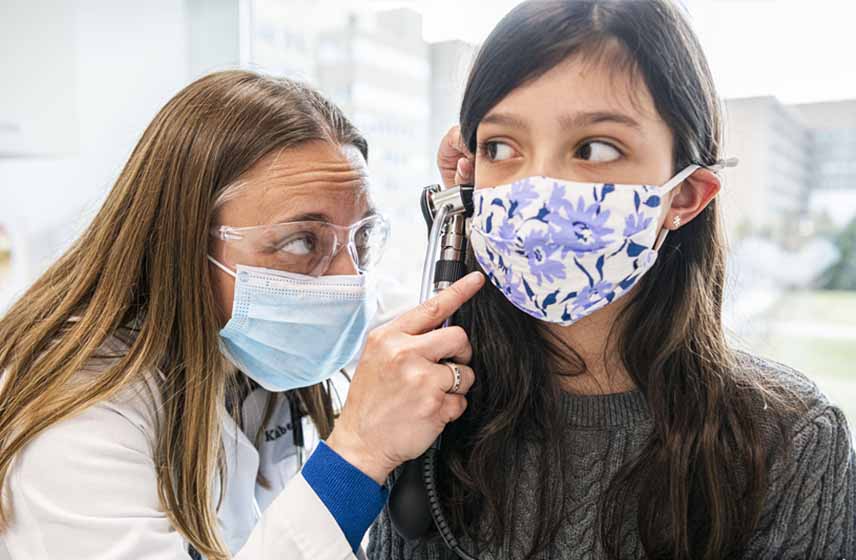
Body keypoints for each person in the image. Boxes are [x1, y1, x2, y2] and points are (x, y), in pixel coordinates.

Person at [369, 1, 856, 559]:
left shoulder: (790, 441)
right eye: (500, 147)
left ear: (685, 196)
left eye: (595, 149)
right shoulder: (428, 407)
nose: (536, 191)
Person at [0, 70, 484, 560]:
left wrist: (473, 209)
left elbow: (426, 330)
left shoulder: (246, 335)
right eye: (301, 242)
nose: (347, 282)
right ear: (183, 245)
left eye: (360, 239)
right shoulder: (78, 413)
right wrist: (357, 455)